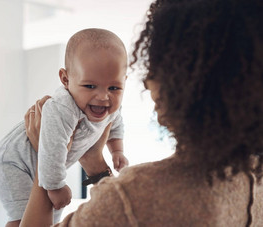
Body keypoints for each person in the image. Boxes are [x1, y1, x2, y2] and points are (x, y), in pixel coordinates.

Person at [20, 0, 263, 226]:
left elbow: (125, 209)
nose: (147, 81)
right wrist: (96, 165)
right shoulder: (255, 178)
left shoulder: (134, 196)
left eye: (156, 64)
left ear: (190, 79)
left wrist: (47, 154)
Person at [0, 28, 129, 226]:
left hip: (44, 161)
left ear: (124, 82)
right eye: (90, 86)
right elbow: (52, 150)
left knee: (51, 216)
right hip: (14, 160)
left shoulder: (111, 106)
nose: (103, 97)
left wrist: (117, 150)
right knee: (22, 216)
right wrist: (55, 186)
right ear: (65, 79)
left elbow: (116, 124)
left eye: (114, 88)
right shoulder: (64, 108)